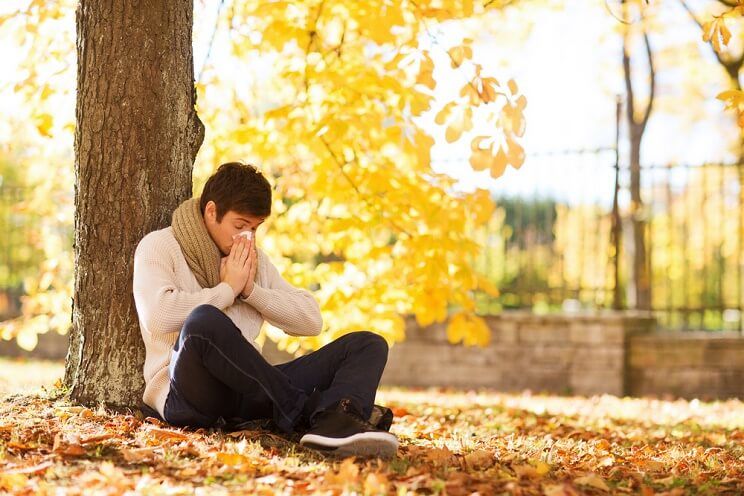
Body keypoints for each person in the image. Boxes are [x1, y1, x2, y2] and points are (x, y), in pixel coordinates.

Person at [132, 162, 398, 458]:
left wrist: (251, 291)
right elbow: (157, 316)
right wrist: (227, 290)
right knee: (204, 322)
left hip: (251, 392)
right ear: (211, 212)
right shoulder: (160, 245)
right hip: (189, 395)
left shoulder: (252, 261)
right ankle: (316, 415)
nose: (247, 237)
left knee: (367, 344)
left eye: (254, 228)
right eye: (240, 226)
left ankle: (335, 425)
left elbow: (311, 320)